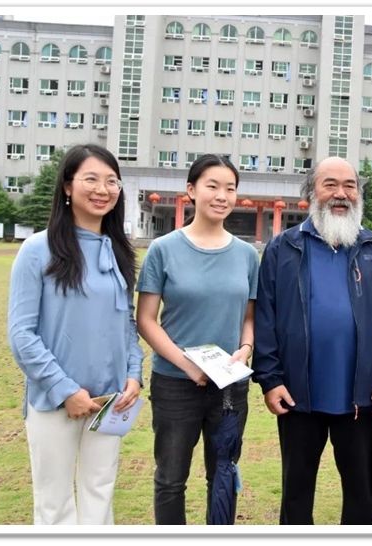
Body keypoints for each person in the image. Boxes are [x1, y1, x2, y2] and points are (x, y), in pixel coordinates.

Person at [252, 156, 372, 525]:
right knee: (296, 491)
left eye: (350, 186)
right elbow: (266, 319)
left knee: (361, 492)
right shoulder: (283, 248)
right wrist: (270, 380)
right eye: (330, 185)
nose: (341, 194)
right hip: (297, 396)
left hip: (362, 397)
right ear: (311, 192)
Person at [7, 144, 143, 525]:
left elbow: (127, 324)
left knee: (100, 496)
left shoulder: (119, 252)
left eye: (112, 181)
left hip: (110, 401)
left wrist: (134, 374)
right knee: (54, 505)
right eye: (91, 179)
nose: (103, 189)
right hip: (55, 401)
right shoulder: (37, 250)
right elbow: (21, 334)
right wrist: (66, 391)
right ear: (67, 186)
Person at [135, 154, 259, 525]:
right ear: (191, 190)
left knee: (222, 474)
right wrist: (186, 364)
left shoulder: (247, 255)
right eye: (212, 186)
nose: (222, 196)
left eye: (230, 189)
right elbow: (146, 320)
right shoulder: (163, 249)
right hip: (175, 383)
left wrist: (245, 350)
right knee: (171, 478)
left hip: (229, 386)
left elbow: (249, 317)